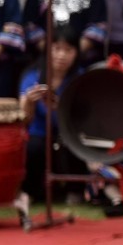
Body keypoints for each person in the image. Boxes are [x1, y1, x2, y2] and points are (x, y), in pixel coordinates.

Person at [19, 24, 85, 207]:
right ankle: (30, 191)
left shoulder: (81, 79)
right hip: (39, 131)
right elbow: (24, 120)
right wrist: (29, 103)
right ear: (48, 50)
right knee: (33, 145)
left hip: (68, 131)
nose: (62, 55)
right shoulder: (32, 75)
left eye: (68, 50)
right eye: (57, 49)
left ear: (76, 53)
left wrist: (58, 109)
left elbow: (81, 121)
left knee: (72, 143)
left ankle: (75, 190)